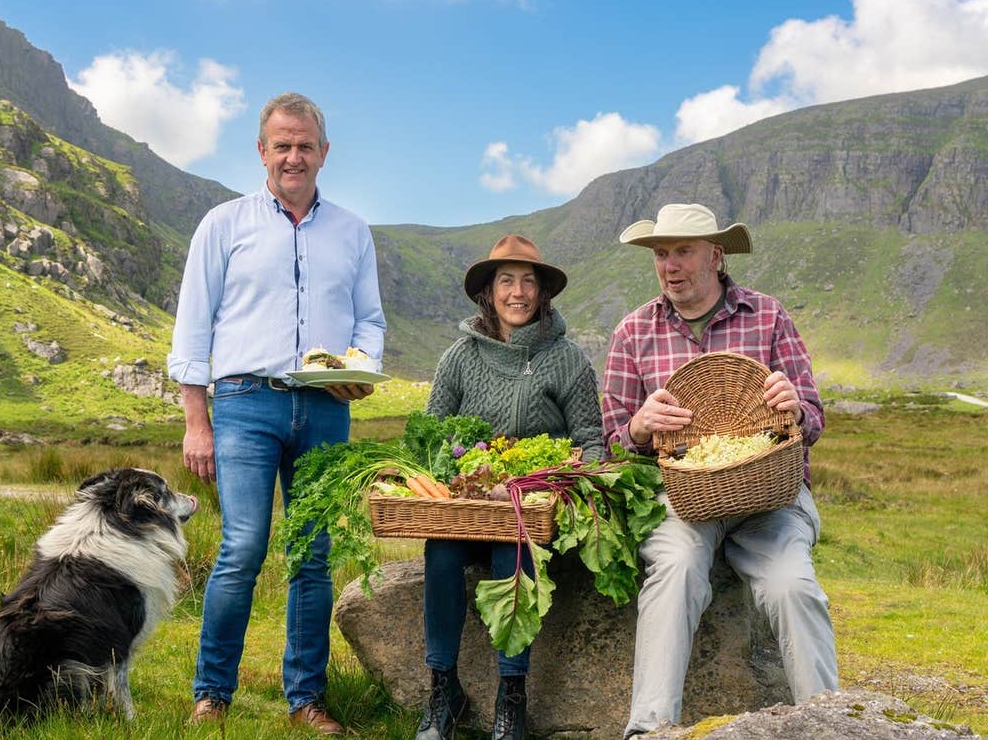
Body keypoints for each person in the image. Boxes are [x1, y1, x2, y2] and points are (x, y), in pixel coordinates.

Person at [167, 92, 386, 734]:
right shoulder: (224, 224)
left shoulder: (352, 231)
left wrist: (360, 368)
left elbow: (370, 320)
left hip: (325, 407)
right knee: (241, 548)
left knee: (314, 554)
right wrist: (195, 421)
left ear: (324, 152)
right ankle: (213, 692)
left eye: (305, 145)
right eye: (282, 144)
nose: (294, 155)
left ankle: (306, 699)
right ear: (262, 152)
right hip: (243, 403)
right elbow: (192, 327)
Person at [600, 203, 837, 737]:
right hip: (683, 501)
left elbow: (815, 419)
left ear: (716, 255)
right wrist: (638, 428)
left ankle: (830, 724)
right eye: (662, 254)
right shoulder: (633, 331)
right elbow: (610, 444)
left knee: (791, 585)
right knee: (677, 569)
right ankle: (650, 730)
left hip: (771, 501)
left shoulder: (769, 316)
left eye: (683, 251)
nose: (670, 265)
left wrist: (795, 407)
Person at [417, 234, 603, 740]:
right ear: (488, 292)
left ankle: (510, 698)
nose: (517, 293)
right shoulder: (459, 358)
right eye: (506, 281)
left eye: (528, 281)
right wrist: (457, 476)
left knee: (512, 552)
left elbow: (591, 440)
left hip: (531, 513)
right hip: (468, 509)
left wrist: (562, 485)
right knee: (440, 552)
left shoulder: (566, 359)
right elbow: (430, 433)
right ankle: (443, 691)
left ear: (543, 292)